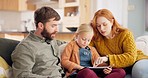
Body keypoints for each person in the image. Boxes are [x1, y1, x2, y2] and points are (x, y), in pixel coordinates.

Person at [90, 9, 148, 78]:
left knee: (140, 71)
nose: (101, 29)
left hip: (136, 60)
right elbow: (83, 48)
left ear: (112, 22)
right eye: (98, 26)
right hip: (117, 68)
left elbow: (131, 57)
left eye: (104, 24)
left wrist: (107, 59)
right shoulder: (96, 38)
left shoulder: (125, 33)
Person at [11, 6, 66, 78]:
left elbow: (64, 44)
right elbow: (21, 75)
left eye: (57, 25)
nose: (57, 30)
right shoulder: (26, 47)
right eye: (53, 26)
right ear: (40, 25)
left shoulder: (50, 39)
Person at [61, 24, 126, 78]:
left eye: (89, 40)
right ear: (76, 36)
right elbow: (64, 61)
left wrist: (106, 69)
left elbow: (99, 64)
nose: (86, 42)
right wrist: (79, 67)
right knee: (87, 72)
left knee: (121, 71)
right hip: (79, 72)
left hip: (92, 72)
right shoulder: (71, 45)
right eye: (83, 39)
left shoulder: (92, 49)